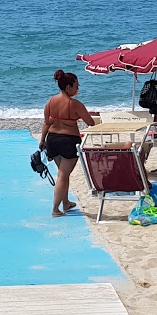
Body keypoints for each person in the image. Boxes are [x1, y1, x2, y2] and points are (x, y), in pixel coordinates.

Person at [41, 70, 97, 216]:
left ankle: (66, 202)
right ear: (68, 87)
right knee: (63, 175)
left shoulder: (51, 101)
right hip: (68, 141)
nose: (78, 89)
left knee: (63, 173)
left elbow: (46, 123)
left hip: (52, 139)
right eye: (76, 86)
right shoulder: (75, 104)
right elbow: (90, 122)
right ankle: (55, 209)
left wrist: (42, 141)